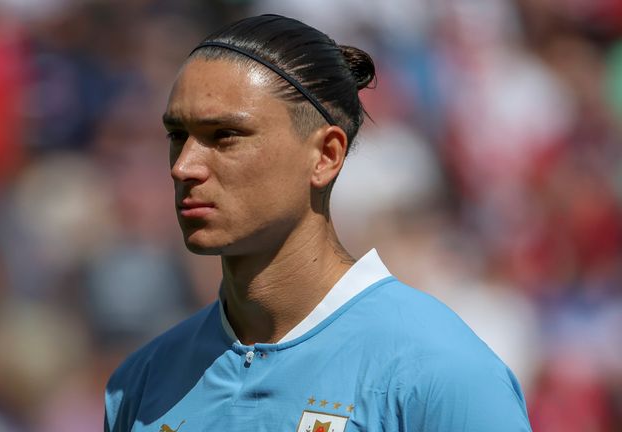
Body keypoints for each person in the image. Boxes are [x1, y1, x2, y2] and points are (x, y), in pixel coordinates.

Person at [104, 14, 532, 431]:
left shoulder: (437, 371)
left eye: (225, 136)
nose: (184, 167)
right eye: (177, 135)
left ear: (326, 155)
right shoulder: (140, 384)